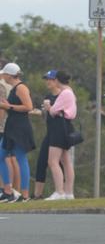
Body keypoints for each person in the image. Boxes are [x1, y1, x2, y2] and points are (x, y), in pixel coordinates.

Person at [0, 63, 35, 203]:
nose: (3, 77)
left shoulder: (21, 87)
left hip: (20, 128)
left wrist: (7, 106)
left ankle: (25, 195)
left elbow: (28, 107)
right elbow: (13, 107)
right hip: (12, 127)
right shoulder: (14, 88)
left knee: (21, 158)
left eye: (4, 74)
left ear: (9, 75)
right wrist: (6, 104)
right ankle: (7, 191)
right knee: (1, 155)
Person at [43, 71, 77, 200]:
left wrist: (48, 106)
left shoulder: (65, 93)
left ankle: (60, 191)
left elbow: (53, 111)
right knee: (65, 160)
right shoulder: (70, 91)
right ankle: (69, 192)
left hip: (59, 127)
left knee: (52, 161)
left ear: (57, 80)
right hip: (65, 126)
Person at [33, 70, 62, 199]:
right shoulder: (47, 96)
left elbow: (63, 114)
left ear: (57, 81)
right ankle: (37, 195)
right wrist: (34, 112)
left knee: (61, 163)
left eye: (50, 79)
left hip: (61, 133)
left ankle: (64, 192)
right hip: (50, 133)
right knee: (41, 162)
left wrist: (50, 108)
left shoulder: (63, 95)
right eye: (47, 79)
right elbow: (46, 114)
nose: (48, 82)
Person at [0, 61, 20, 201]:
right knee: (10, 157)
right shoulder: (8, 85)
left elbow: (2, 107)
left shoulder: (1, 86)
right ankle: (11, 189)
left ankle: (8, 189)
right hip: (8, 124)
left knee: (7, 158)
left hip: (3, 125)